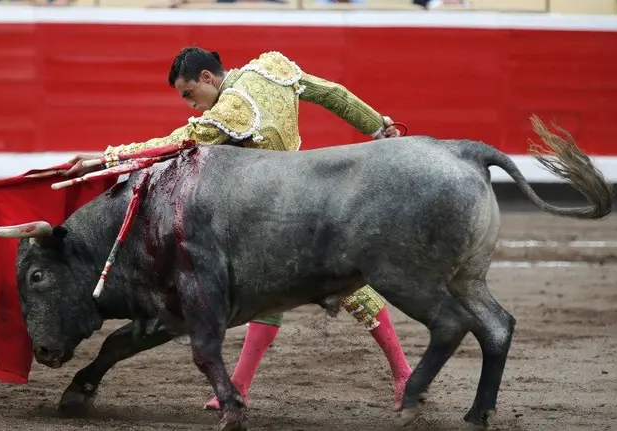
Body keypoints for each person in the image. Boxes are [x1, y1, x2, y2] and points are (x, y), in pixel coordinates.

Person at [66, 46, 412, 412]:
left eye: (189, 94)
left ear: (207, 78)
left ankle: (404, 372)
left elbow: (175, 143)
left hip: (275, 213)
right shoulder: (270, 69)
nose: (191, 105)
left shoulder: (230, 110)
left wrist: (105, 159)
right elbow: (333, 94)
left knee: (346, 289)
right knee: (278, 291)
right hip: (308, 195)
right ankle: (241, 387)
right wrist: (378, 125)